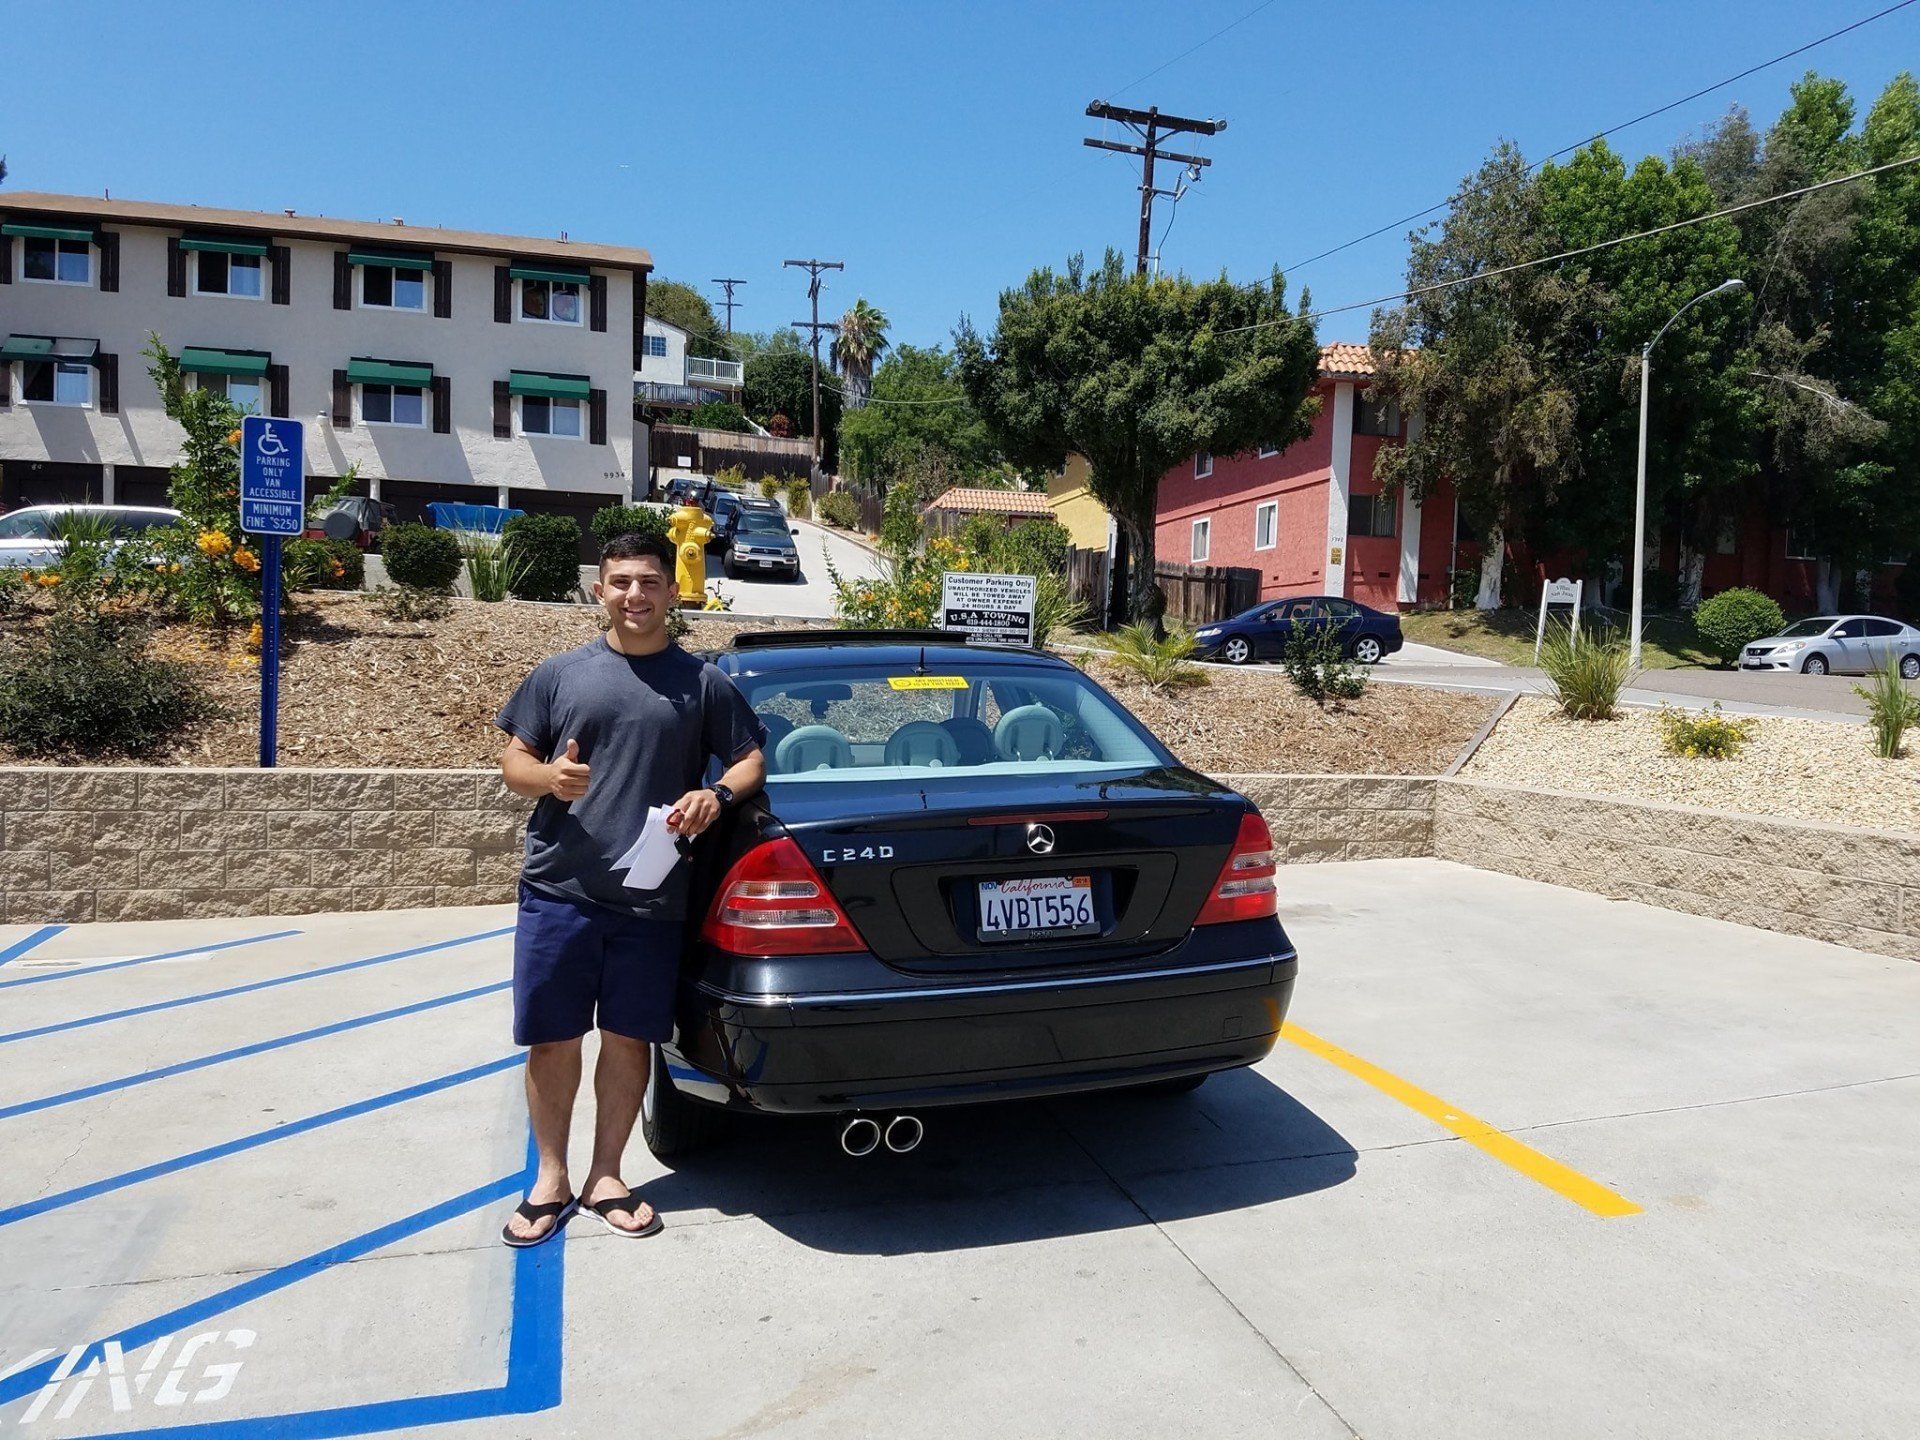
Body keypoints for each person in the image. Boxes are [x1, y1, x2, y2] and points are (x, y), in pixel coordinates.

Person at [494, 531, 766, 1247]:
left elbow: (750, 761)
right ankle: (550, 1179)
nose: (634, 595)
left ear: (672, 593)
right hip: (559, 889)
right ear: (600, 591)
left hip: (651, 900)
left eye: (648, 582)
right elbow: (514, 761)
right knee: (552, 1039)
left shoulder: (702, 683)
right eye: (620, 582)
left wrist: (717, 796)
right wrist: (548, 777)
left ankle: (606, 1177)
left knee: (628, 1039)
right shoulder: (560, 675)